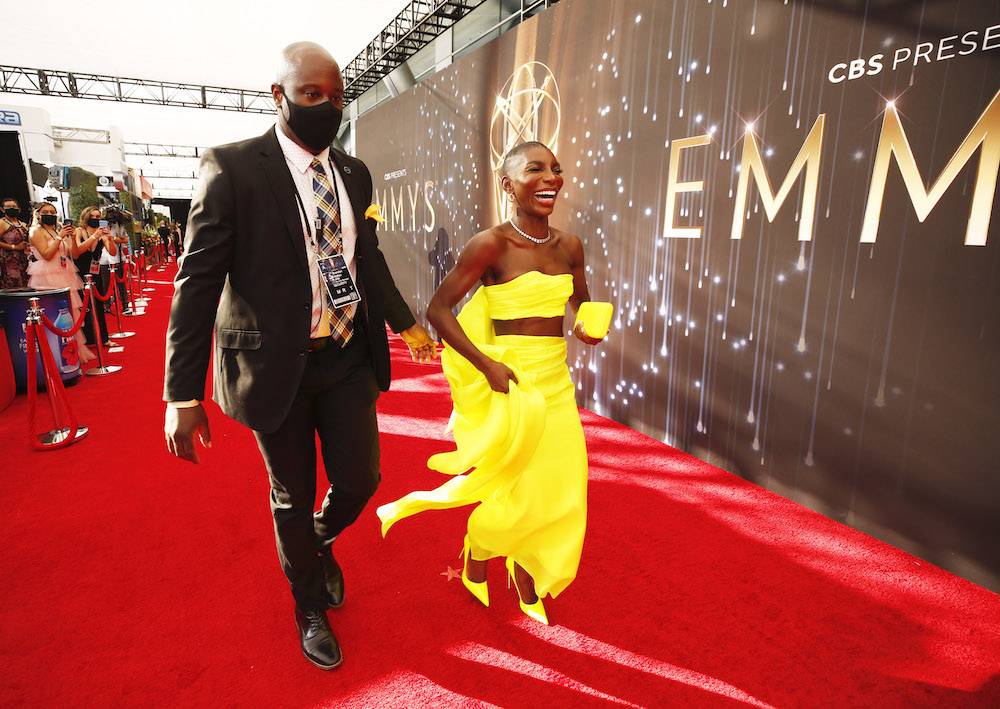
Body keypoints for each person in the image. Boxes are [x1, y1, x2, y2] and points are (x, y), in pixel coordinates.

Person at [162, 41, 437, 671]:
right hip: (272, 365)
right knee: (292, 492)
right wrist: (182, 393)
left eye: (336, 96)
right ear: (278, 95)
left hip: (345, 355)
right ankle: (308, 603)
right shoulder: (232, 168)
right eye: (311, 95)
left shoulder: (354, 172)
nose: (327, 106)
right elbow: (197, 284)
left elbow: (365, 260)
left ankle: (315, 543)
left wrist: (404, 324)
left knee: (362, 478)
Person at [377, 141, 607, 626]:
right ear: (508, 184)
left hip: (557, 387)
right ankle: (481, 553)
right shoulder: (490, 245)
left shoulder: (570, 245)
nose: (550, 178)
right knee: (513, 487)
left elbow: (581, 305)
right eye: (534, 170)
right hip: (513, 388)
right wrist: (486, 365)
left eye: (556, 169)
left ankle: (521, 571)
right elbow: (439, 311)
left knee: (561, 488)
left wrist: (586, 326)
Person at [27, 202, 94, 363]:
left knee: (71, 314)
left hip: (65, 274)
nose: (50, 214)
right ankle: (57, 355)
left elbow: (75, 254)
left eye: (53, 211)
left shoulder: (58, 230)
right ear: (38, 214)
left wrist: (71, 238)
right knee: (55, 315)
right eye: (46, 211)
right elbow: (47, 254)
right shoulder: (36, 231)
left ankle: (75, 352)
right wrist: (60, 237)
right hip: (47, 278)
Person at [73, 206, 113, 346]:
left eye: (98, 216)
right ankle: (89, 339)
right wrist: (94, 237)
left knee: (98, 305)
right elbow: (77, 251)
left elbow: (112, 252)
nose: (96, 219)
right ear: (86, 217)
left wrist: (110, 238)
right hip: (80, 272)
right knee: (84, 307)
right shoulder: (79, 231)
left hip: (95, 273)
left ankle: (103, 338)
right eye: (93, 216)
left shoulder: (102, 233)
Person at [0, 197, 30, 289]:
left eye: (14, 206)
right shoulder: (2, 223)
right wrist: (14, 247)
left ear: (19, 209)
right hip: (9, 261)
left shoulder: (23, 225)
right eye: (8, 207)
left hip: (25, 260)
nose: (12, 208)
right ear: (2, 209)